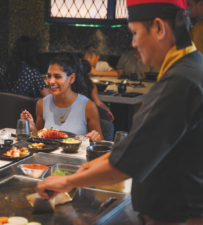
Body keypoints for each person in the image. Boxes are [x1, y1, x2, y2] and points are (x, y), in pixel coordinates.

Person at [37, 0, 203, 224]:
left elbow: (132, 159)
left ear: (158, 27)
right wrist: (91, 165)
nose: (133, 44)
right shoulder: (192, 67)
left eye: (135, 33)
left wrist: (67, 182)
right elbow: (139, 143)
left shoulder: (180, 79)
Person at [21, 52, 103, 142]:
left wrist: (96, 138)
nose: (51, 81)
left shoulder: (88, 106)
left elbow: (101, 142)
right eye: (49, 76)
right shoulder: (41, 104)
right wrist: (33, 129)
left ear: (71, 78)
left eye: (57, 76)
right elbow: (41, 141)